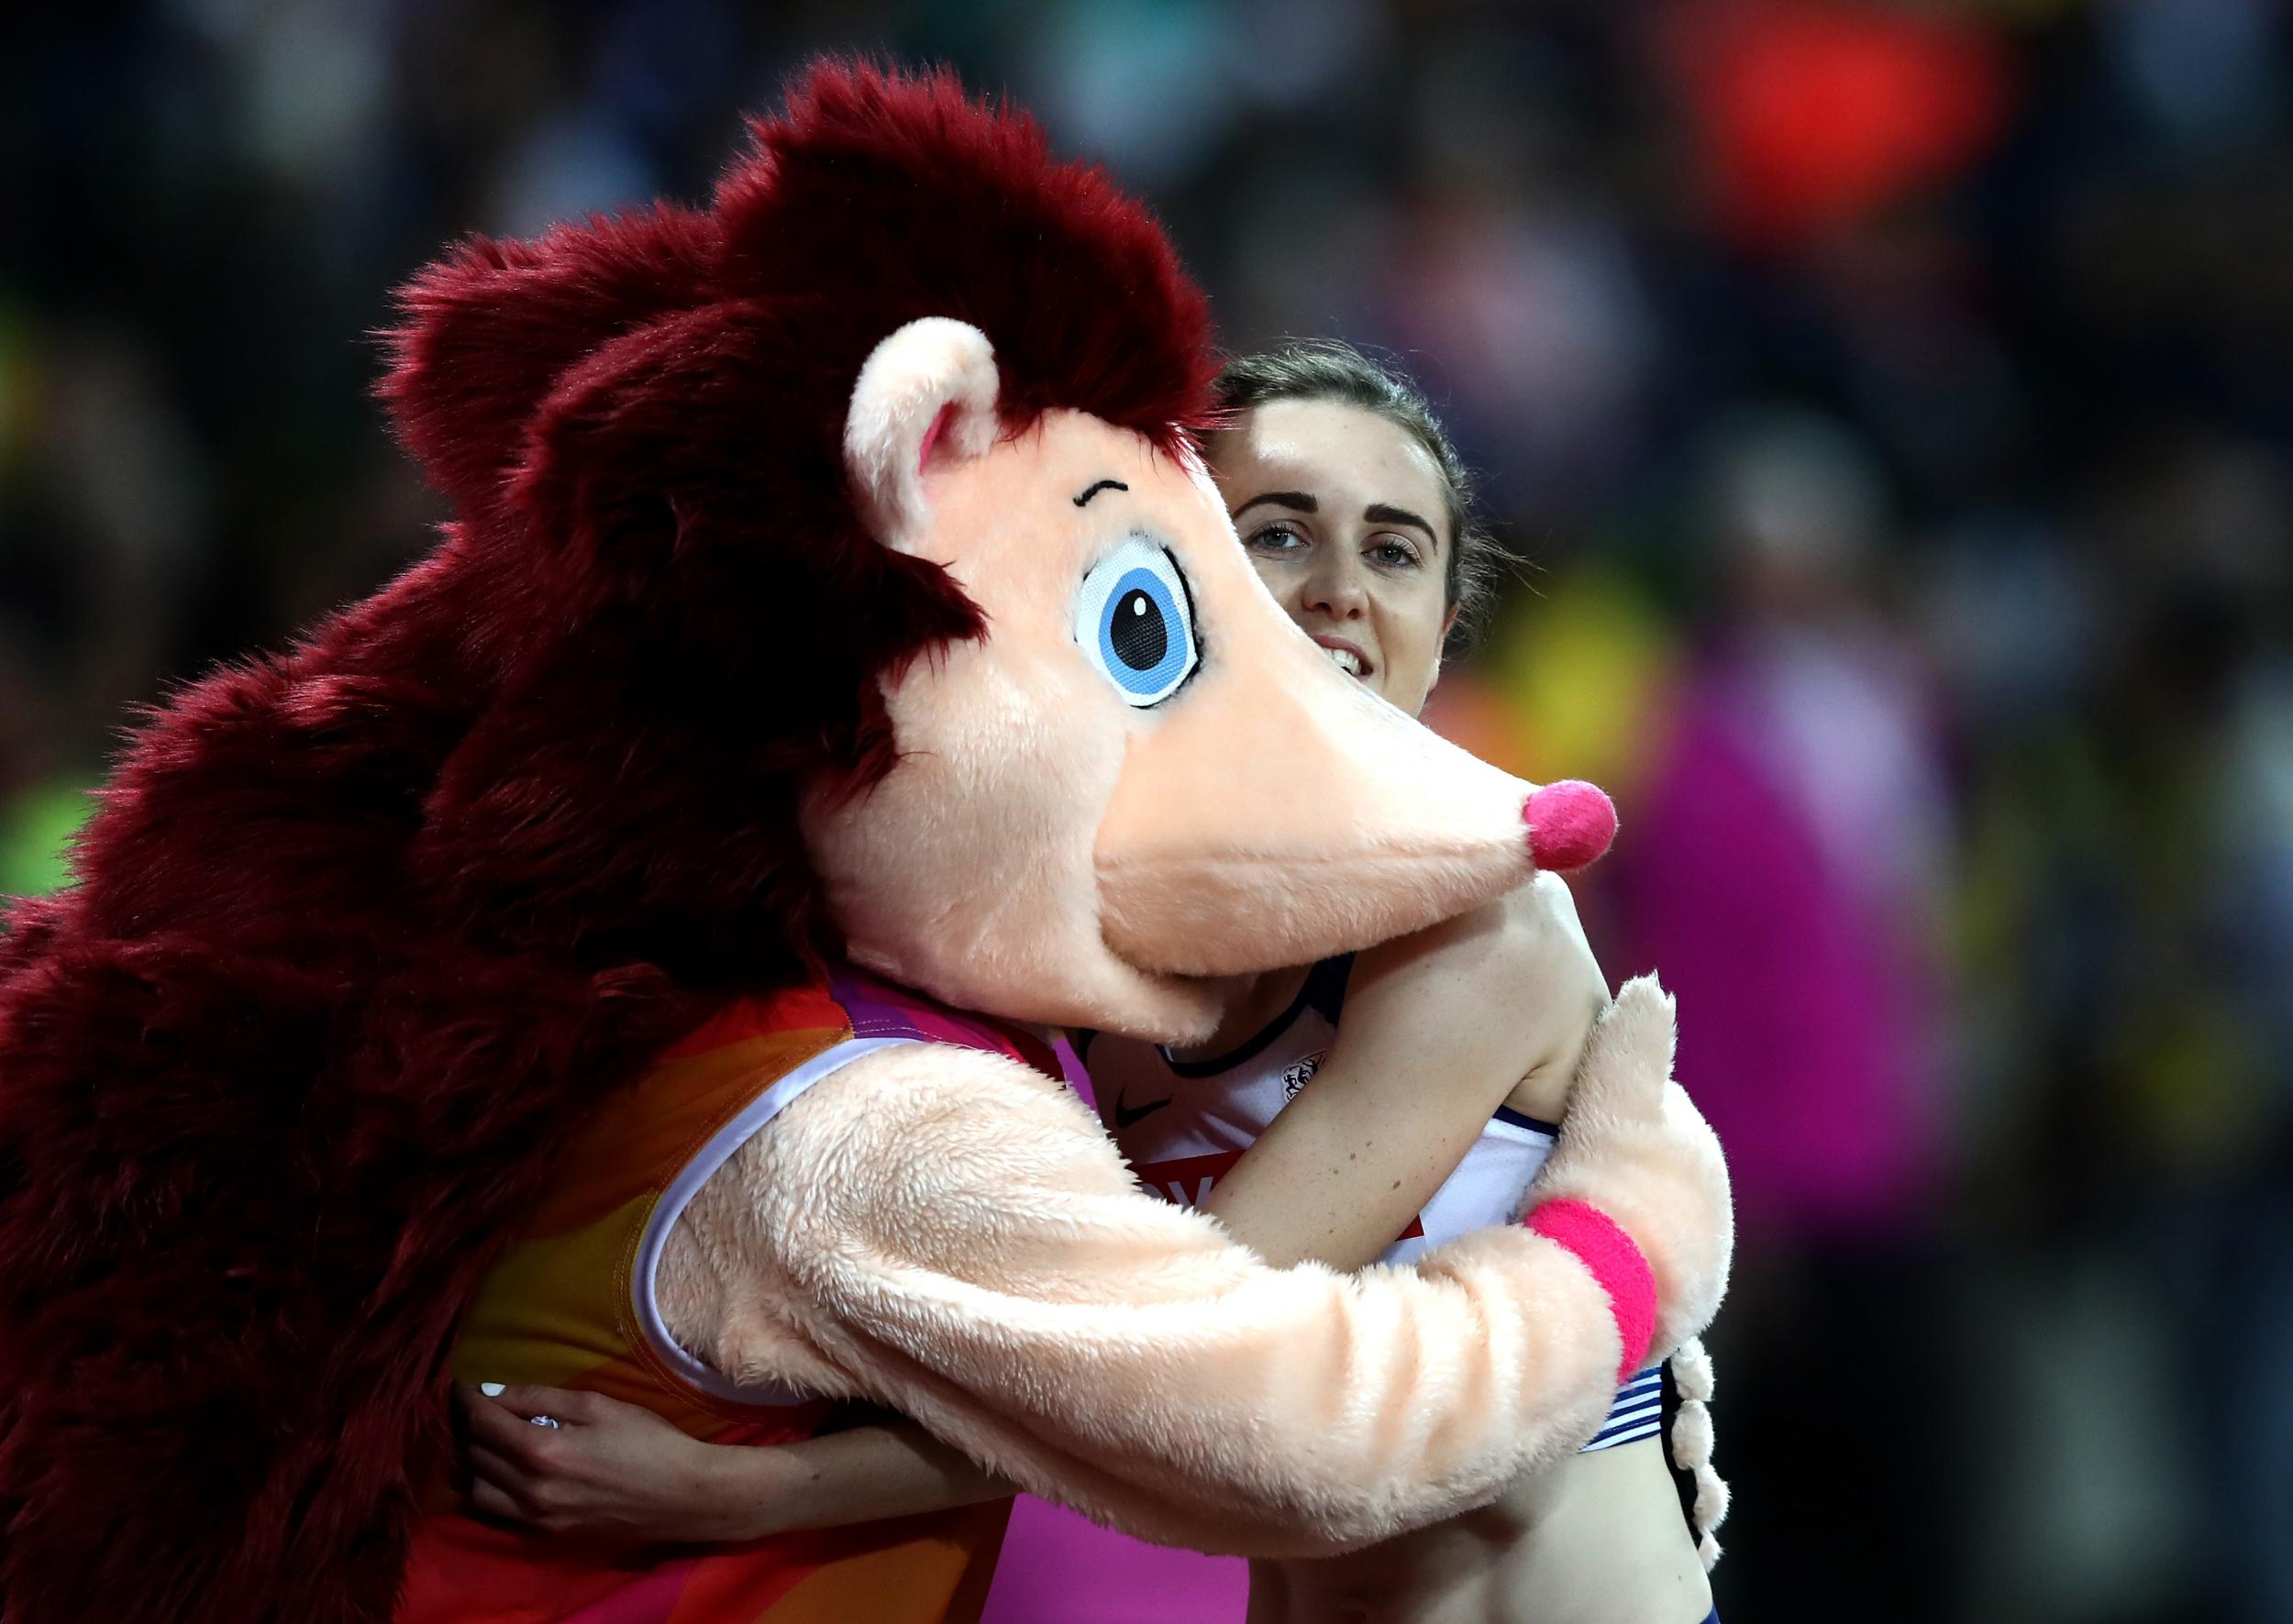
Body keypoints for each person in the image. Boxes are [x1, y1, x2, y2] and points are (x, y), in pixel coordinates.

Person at [455, 341, 1717, 1624]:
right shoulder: (1090, 947)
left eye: (1393, 552)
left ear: (1443, 634)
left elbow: (1165, 1367)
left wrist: (728, 1498)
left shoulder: (1485, 935)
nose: (1340, 590)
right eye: (1279, 534)